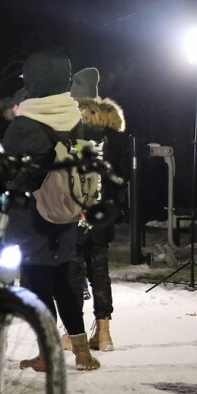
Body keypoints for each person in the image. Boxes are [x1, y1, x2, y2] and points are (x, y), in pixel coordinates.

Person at [2, 52, 99, 371]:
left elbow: (7, 171)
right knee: (66, 282)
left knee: (38, 285)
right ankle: (82, 351)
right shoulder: (76, 116)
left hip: (34, 217)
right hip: (69, 211)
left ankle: (47, 354)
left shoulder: (25, 123)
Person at [66, 67, 126, 352]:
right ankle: (104, 335)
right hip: (103, 212)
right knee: (100, 271)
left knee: (74, 273)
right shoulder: (112, 129)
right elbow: (123, 174)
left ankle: (74, 335)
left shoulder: (68, 125)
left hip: (75, 210)